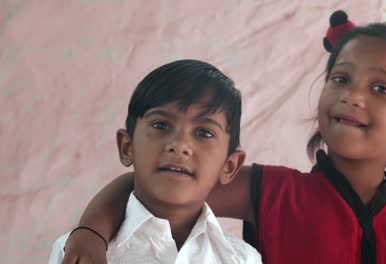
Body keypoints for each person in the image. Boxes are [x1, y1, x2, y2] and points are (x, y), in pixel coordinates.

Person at [61, 11, 386, 264]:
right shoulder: (270, 190)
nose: (352, 95)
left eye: (380, 89)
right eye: (341, 78)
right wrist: (90, 234)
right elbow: (147, 181)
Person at [48, 59, 261, 263]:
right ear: (127, 147)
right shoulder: (78, 252)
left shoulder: (242, 259)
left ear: (230, 166)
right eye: (160, 125)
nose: (179, 144)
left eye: (204, 132)